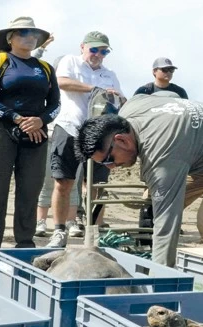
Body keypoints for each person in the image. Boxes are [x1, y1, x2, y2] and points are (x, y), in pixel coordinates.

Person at [75, 95, 203, 266]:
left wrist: (160, 278)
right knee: (151, 205)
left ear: (122, 140)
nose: (110, 167)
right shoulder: (131, 107)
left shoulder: (160, 154)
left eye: (110, 160)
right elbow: (165, 95)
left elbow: (167, 222)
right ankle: (147, 255)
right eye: (103, 164)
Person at [0, 17, 60, 267]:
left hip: (36, 131)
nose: (30, 36)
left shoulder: (44, 68)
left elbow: (55, 104)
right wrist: (16, 118)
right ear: (10, 37)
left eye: (33, 33)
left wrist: (41, 121)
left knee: (30, 189)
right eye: (23, 32)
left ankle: (25, 244)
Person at [44, 31, 126, 248]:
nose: (98, 54)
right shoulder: (70, 62)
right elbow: (60, 81)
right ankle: (59, 231)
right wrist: (94, 89)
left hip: (100, 136)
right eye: (94, 49)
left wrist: (119, 98)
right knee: (63, 182)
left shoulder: (110, 74)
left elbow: (120, 101)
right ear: (83, 47)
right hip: (70, 127)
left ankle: (95, 235)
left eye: (104, 51)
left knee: (97, 185)